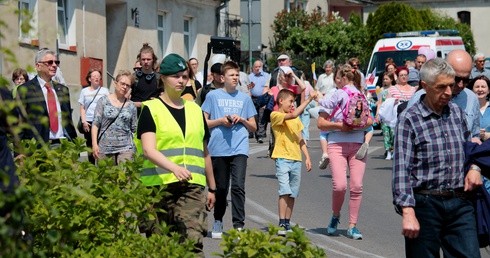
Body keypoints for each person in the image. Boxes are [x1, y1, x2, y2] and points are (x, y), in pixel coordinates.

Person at [392, 58, 482, 257]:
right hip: (425, 204)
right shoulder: (410, 119)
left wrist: (475, 169)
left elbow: (471, 150)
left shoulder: (457, 113)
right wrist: (408, 213)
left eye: (451, 85)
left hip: (460, 202)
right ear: (425, 86)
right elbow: (401, 170)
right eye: (441, 87)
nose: (449, 92)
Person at [137, 53, 216, 256]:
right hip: (157, 186)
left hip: (192, 187)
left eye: (184, 76)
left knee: (192, 241)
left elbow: (204, 151)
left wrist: (213, 188)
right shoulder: (150, 109)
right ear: (162, 78)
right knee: (159, 244)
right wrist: (174, 168)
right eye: (175, 76)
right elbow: (148, 149)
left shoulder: (195, 110)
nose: (181, 80)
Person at [317, 64, 373, 240]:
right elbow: (320, 123)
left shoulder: (359, 95)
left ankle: (352, 226)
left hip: (357, 144)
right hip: (336, 144)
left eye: (337, 78)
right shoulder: (337, 93)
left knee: (356, 186)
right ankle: (335, 215)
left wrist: (357, 125)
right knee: (340, 185)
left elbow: (370, 120)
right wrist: (341, 126)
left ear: (341, 78)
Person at [201, 61, 257, 238]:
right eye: (231, 75)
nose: (235, 78)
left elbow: (254, 127)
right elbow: (203, 123)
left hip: (239, 147)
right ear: (222, 77)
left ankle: (238, 225)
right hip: (218, 148)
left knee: (238, 186)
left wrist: (242, 120)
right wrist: (221, 121)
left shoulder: (245, 99)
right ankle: (218, 219)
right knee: (221, 188)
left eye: (237, 75)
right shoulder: (213, 96)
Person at [407, 49, 481, 141]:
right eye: (457, 79)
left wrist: (475, 140)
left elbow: (475, 133)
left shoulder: (471, 98)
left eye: (466, 80)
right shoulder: (419, 98)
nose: (461, 85)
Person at [270, 88, 316, 235]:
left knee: (293, 193)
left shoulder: (296, 120)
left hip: (296, 159)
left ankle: (288, 222)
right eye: (290, 101)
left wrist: (307, 157)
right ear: (280, 101)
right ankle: (281, 222)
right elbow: (294, 113)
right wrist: (309, 99)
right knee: (284, 190)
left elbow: (300, 139)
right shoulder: (275, 115)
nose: (292, 104)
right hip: (282, 158)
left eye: (294, 101)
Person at [16, 48, 77, 146]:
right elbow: (19, 123)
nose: (54, 65)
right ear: (38, 66)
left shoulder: (63, 90)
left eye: (56, 62)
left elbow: (68, 119)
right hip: (39, 148)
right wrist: (20, 152)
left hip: (63, 146)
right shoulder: (26, 90)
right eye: (49, 62)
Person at [91, 70, 137, 165]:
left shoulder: (131, 106)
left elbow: (133, 128)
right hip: (105, 146)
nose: (124, 87)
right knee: (106, 178)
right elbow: (95, 124)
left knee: (125, 177)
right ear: (115, 83)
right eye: (122, 83)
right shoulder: (103, 101)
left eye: (127, 85)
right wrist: (94, 144)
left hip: (126, 147)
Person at [78, 69, 109, 164]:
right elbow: (82, 108)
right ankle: (91, 166)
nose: (96, 77)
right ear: (89, 79)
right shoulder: (84, 91)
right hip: (89, 121)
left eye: (98, 76)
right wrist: (84, 121)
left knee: (101, 144)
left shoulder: (105, 91)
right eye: (94, 76)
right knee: (90, 144)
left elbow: (109, 104)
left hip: (101, 121)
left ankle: (101, 165)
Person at [131, 43, 160, 114]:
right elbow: (125, 100)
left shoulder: (159, 78)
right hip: (136, 115)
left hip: (153, 114)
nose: (146, 62)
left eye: (148, 59)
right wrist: (137, 104)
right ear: (140, 60)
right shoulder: (133, 77)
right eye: (143, 59)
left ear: (153, 60)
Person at [375, 72, 396, 160]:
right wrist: (377, 114)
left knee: (393, 133)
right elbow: (379, 102)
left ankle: (394, 150)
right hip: (384, 114)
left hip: (392, 114)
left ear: (391, 79)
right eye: (384, 79)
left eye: (387, 79)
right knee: (386, 133)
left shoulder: (394, 89)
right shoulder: (380, 90)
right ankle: (388, 151)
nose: (385, 81)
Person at [248, 59, 271, 143]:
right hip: (253, 99)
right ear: (253, 68)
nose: (257, 68)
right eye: (255, 67)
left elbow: (269, 88)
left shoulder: (267, 76)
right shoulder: (250, 77)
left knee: (262, 117)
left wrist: (267, 100)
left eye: (259, 66)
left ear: (262, 67)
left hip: (263, 99)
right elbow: (248, 88)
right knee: (254, 117)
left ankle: (260, 135)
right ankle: (255, 132)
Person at [468, 75, 490, 140]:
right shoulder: (467, 109)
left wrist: (485, 135)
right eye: (477, 87)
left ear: (489, 90)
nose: (480, 89)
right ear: (472, 90)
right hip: (472, 147)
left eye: (483, 87)